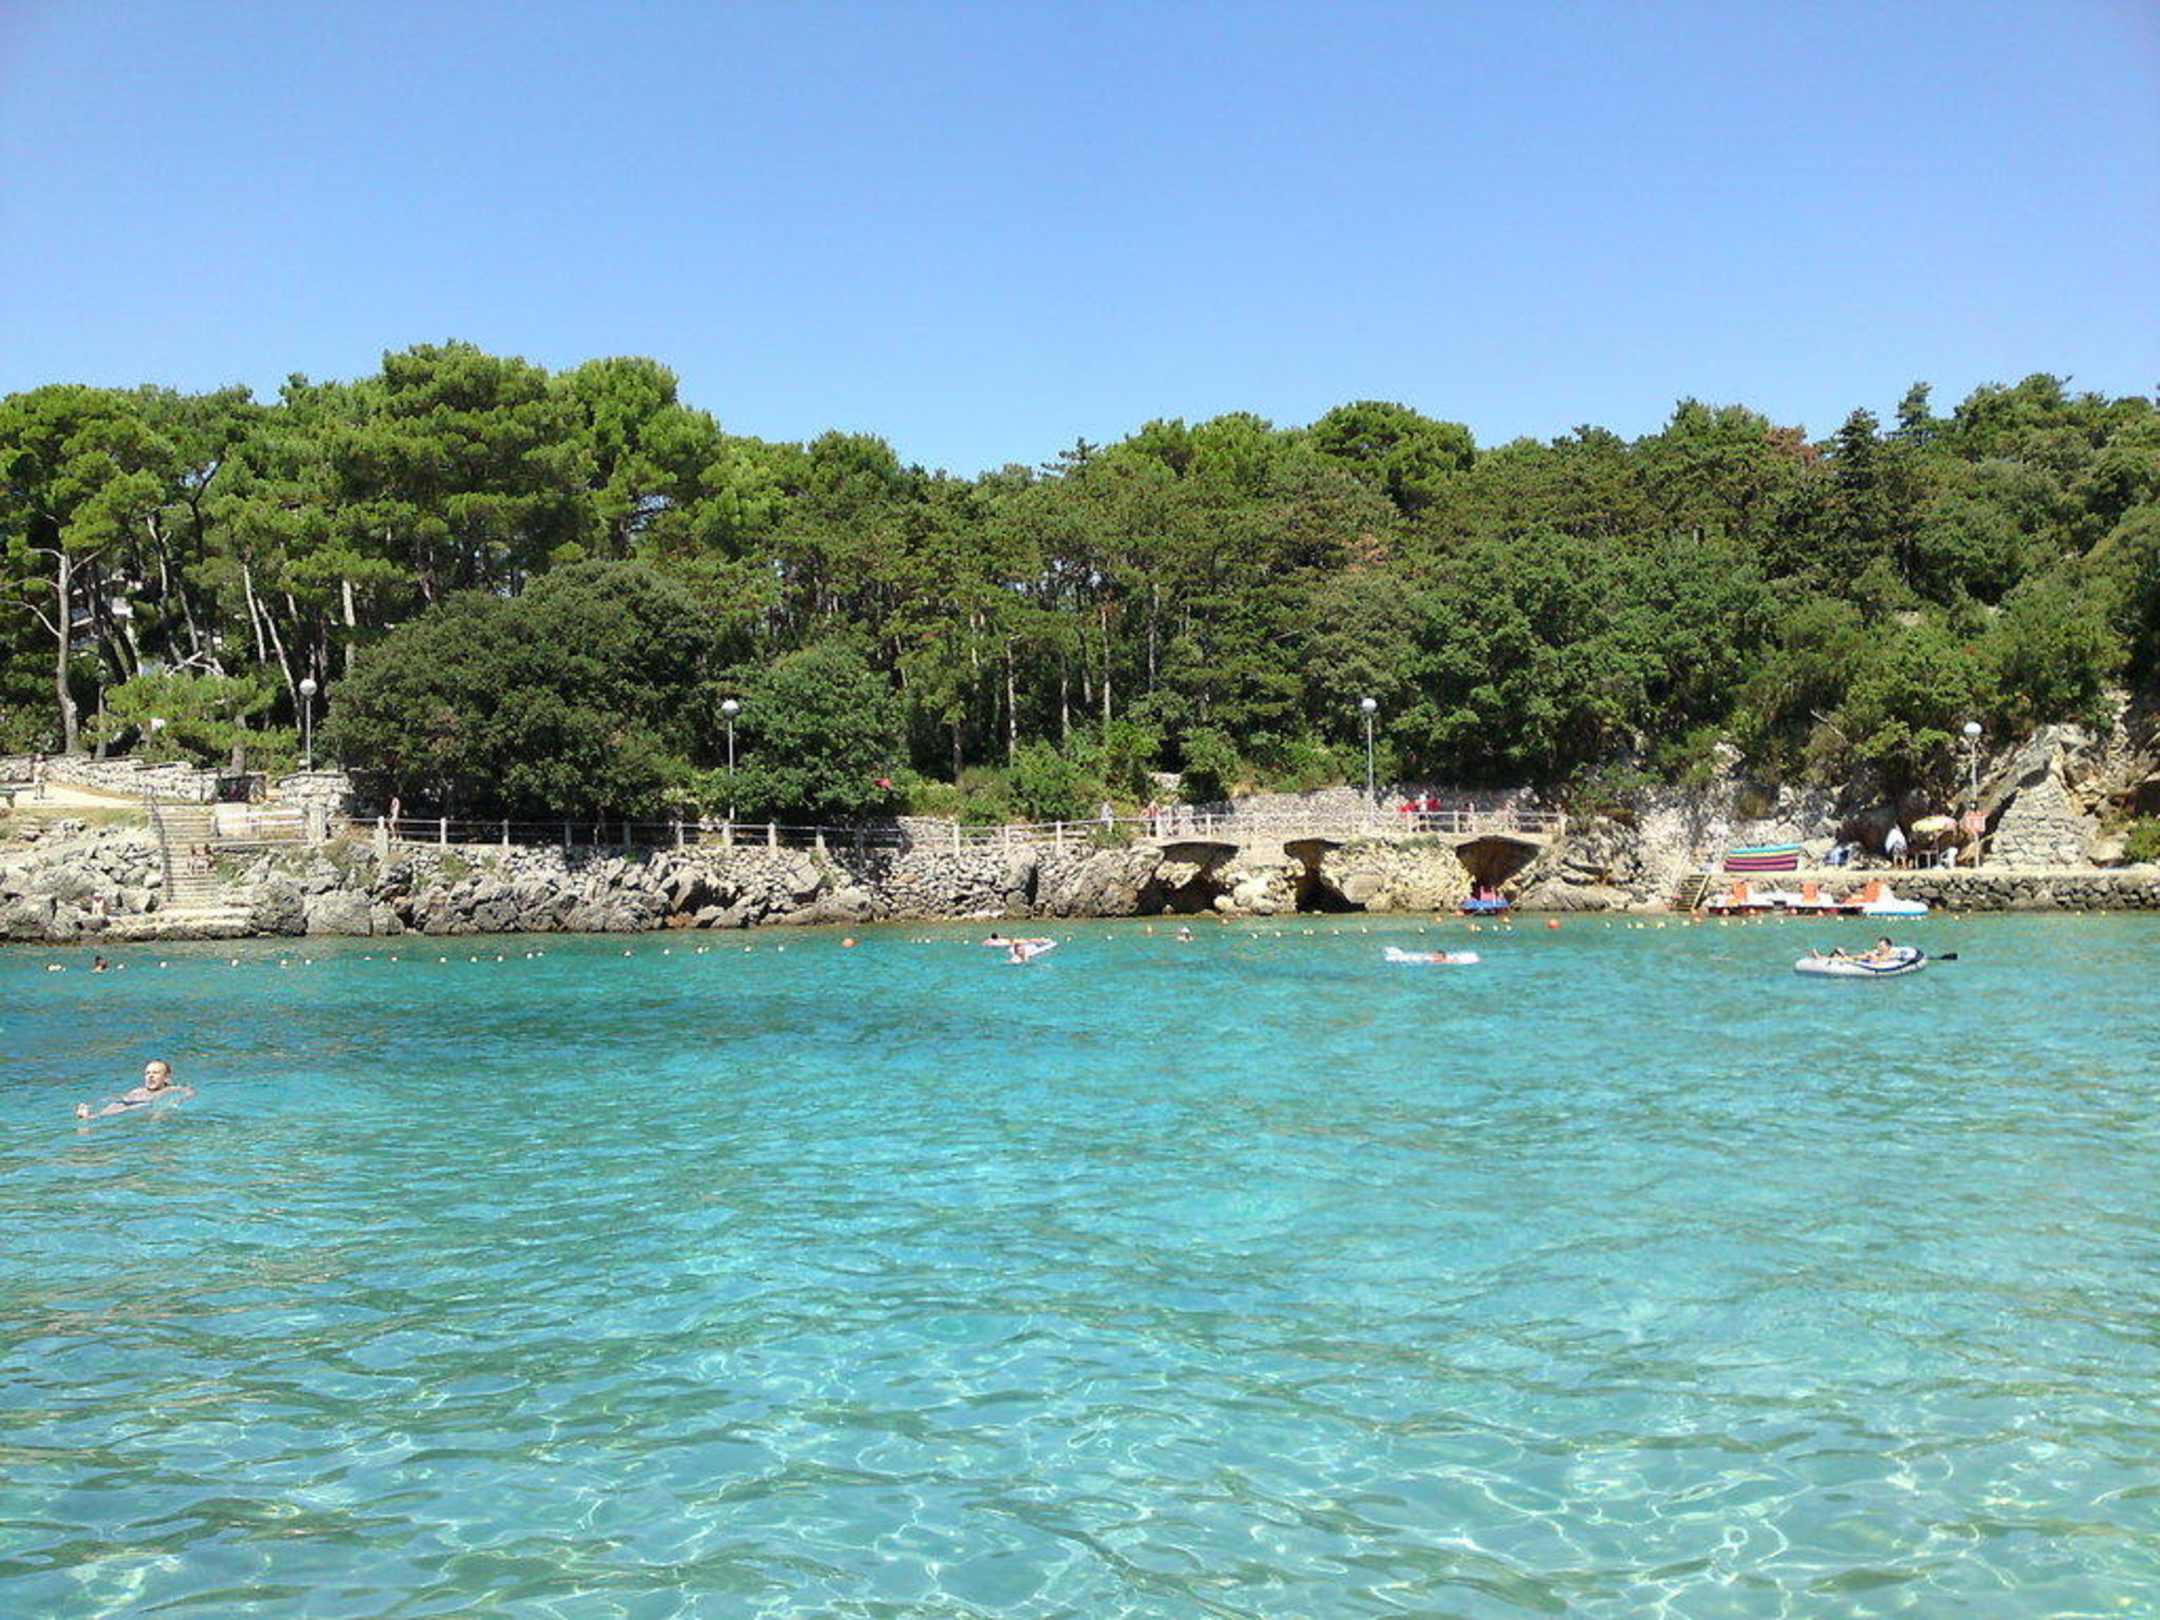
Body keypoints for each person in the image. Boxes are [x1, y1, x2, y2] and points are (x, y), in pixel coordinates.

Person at [75, 1059, 192, 1120]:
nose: (150, 1076)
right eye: (147, 1073)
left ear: (166, 1076)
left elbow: (189, 1093)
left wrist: (174, 1102)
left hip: (145, 1104)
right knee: (118, 1103)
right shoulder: (138, 1091)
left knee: (136, 1106)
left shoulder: (171, 1089)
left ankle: (91, 1117)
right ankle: (91, 1115)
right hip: (133, 1100)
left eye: (155, 1073)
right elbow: (123, 1099)